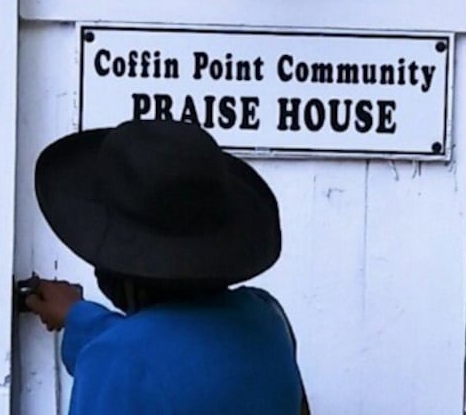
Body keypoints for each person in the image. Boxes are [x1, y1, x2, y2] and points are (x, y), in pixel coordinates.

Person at [26, 119, 310, 414]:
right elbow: (180, 356)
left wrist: (92, 334)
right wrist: (78, 315)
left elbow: (141, 359)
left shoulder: (114, 361)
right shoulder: (268, 318)